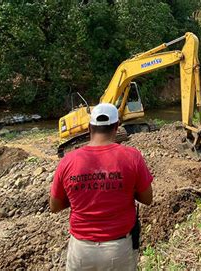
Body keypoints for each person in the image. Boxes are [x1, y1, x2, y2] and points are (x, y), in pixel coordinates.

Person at [50, 103, 153, 271]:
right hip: (118, 249)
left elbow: (55, 206)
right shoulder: (132, 157)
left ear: (90, 127)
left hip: (81, 251)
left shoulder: (68, 161)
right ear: (117, 126)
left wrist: (81, 193)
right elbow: (147, 199)